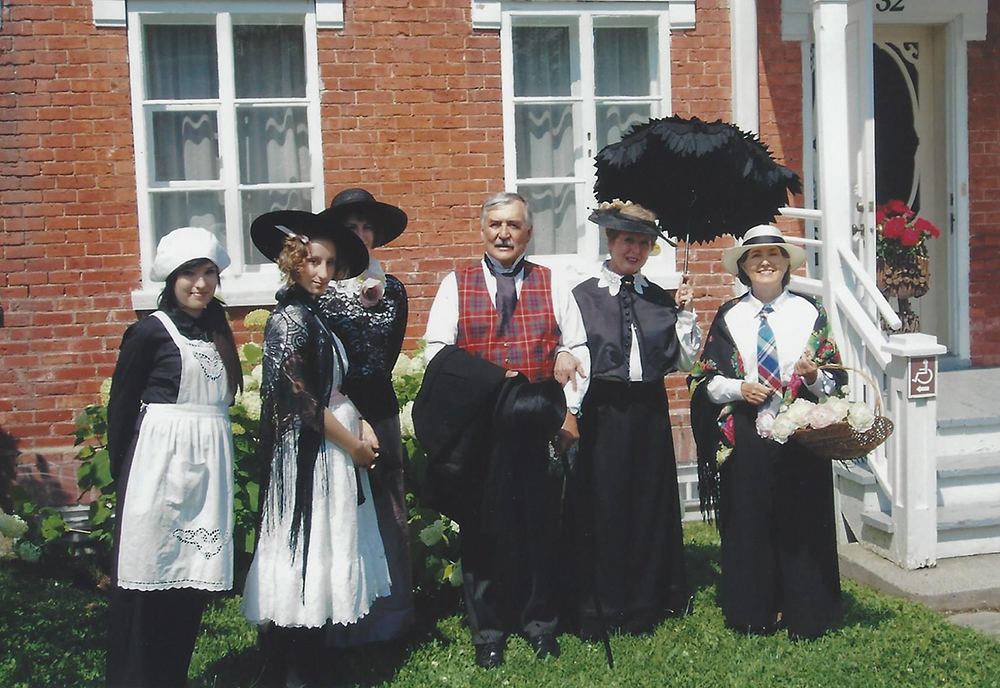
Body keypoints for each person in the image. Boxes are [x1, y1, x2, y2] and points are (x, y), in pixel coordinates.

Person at [423, 191, 590, 668]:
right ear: (482, 230)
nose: (503, 233)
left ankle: (541, 625)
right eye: (495, 224)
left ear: (528, 233)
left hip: (537, 425)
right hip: (481, 427)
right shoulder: (456, 285)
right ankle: (489, 632)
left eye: (514, 225)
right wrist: (489, 380)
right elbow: (439, 353)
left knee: (539, 526)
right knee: (481, 528)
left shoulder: (553, 283)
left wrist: (569, 407)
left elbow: (576, 347)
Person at [241, 209, 390, 686]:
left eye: (329, 264)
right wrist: (353, 447)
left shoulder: (314, 316)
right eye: (313, 262)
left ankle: (311, 659)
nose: (322, 273)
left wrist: (362, 422)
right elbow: (302, 400)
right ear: (294, 263)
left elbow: (332, 386)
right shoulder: (290, 320)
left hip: (331, 445)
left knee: (324, 548)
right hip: (311, 454)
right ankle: (290, 667)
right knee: (303, 550)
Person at [688, 224, 846, 640]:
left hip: (801, 434)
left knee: (802, 518)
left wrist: (813, 378)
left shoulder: (811, 313)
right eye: (755, 257)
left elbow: (833, 382)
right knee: (750, 520)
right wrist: (739, 388)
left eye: (773, 255)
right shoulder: (728, 316)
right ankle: (753, 611)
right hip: (747, 433)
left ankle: (807, 611)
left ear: (785, 264)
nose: (764, 263)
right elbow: (706, 380)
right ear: (743, 267)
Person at [106, 226, 241, 688]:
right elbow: (121, 409)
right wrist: (124, 474)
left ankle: (172, 675)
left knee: (189, 582)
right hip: (158, 467)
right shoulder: (148, 332)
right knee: (148, 576)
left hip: (207, 469)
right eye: (189, 274)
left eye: (208, 273)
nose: (200, 284)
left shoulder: (217, 329)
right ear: (171, 278)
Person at [565, 200, 701, 639]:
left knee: (647, 501)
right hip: (602, 410)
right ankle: (601, 602)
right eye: (628, 240)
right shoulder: (582, 295)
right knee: (604, 501)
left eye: (643, 243)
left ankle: (648, 599)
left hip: (648, 410)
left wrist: (684, 315)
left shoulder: (661, 298)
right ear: (610, 241)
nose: (635, 250)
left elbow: (685, 360)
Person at [316, 188, 415, 644]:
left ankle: (390, 615)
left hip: (380, 407)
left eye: (366, 228)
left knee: (388, 507)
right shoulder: (318, 291)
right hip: (337, 412)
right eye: (350, 228)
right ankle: (342, 616)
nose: (359, 235)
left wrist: (374, 408)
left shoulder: (392, 289)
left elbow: (388, 353)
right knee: (341, 509)